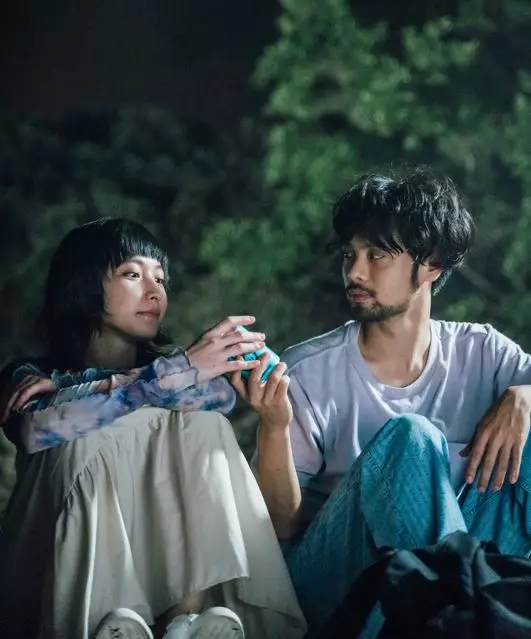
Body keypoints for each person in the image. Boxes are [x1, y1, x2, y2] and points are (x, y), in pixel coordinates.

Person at [231, 167, 531, 636]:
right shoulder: (308, 371)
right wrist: (273, 425)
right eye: (349, 255)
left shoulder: (484, 354)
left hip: (456, 583)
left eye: (376, 255)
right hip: (340, 586)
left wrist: (524, 396)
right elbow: (279, 528)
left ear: (431, 264)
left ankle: (467, 614)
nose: (355, 271)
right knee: (411, 439)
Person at [0, 218, 306, 639]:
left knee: (204, 426)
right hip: (43, 566)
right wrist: (168, 374)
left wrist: (136, 379)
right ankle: (113, 625)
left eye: (160, 279)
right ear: (83, 284)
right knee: (90, 435)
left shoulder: (176, 376)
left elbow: (217, 398)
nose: (154, 290)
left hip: (162, 566)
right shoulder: (27, 374)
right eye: (132, 274)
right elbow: (39, 429)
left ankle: (185, 622)